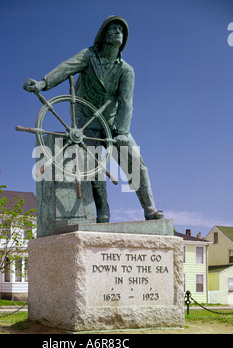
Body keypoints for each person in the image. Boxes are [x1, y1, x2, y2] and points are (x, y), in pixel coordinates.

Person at [23, 16, 163, 222]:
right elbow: (66, 68)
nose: (118, 32)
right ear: (103, 35)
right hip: (85, 118)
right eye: (113, 29)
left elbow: (126, 102)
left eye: (121, 30)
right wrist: (43, 84)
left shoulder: (126, 70)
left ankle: (149, 208)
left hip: (112, 124)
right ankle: (102, 210)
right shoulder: (89, 56)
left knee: (134, 162)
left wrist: (122, 132)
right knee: (92, 166)